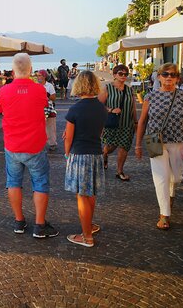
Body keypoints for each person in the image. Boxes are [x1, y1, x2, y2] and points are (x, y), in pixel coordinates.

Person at [0, 54, 59, 238]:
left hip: (12, 144)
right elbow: (46, 106)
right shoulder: (40, 90)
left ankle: (19, 221)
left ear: (13, 69)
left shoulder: (4, 91)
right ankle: (39, 225)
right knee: (40, 183)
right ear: (31, 69)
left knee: (13, 182)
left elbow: (1, 110)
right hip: (35, 144)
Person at [135, 63, 183, 230]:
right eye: (165, 74)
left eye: (173, 75)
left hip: (178, 140)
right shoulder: (150, 96)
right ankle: (164, 214)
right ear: (159, 77)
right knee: (160, 177)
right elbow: (142, 121)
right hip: (154, 140)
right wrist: (138, 145)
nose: (169, 77)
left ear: (177, 78)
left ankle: (171, 193)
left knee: (176, 177)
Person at [64, 70, 107, 247]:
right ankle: (89, 225)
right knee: (91, 194)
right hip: (96, 153)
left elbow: (69, 137)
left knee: (81, 195)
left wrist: (67, 153)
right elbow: (100, 132)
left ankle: (87, 236)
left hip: (79, 154)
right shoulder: (101, 108)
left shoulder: (75, 109)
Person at [98, 64, 137, 181]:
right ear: (114, 75)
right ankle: (104, 154)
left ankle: (120, 171)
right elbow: (99, 105)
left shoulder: (129, 90)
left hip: (127, 124)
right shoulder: (107, 88)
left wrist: (135, 121)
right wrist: (111, 109)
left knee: (124, 147)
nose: (123, 76)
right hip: (112, 123)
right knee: (110, 147)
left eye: (126, 74)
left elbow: (133, 107)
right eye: (120, 73)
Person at [36, 70, 57, 151]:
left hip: (48, 108)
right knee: (38, 127)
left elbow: (54, 98)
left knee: (50, 126)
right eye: (37, 75)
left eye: (40, 75)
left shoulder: (49, 86)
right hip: (38, 109)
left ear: (44, 76)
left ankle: (52, 143)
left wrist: (46, 94)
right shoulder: (35, 86)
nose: (38, 77)